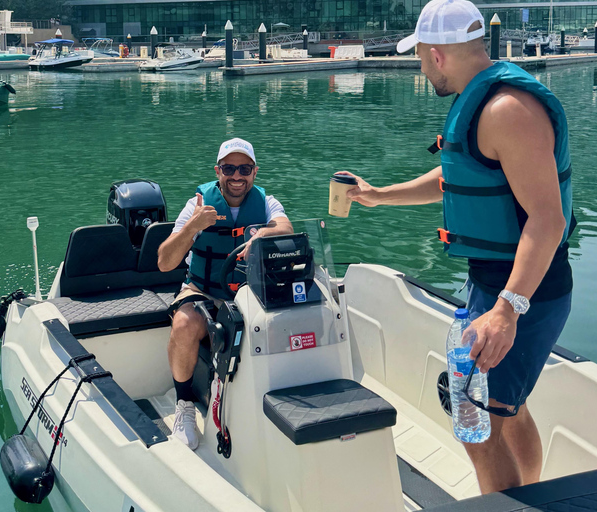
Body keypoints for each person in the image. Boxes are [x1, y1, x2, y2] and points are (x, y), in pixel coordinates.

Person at [343, 0, 574, 495]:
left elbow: (548, 219)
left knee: (475, 414)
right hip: (493, 284)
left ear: (437, 54)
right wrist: (377, 196)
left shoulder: (506, 110)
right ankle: (524, 493)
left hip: (523, 291)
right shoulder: (479, 102)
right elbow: (457, 178)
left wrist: (507, 312)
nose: (421, 67)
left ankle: (506, 504)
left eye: (421, 58)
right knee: (506, 409)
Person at [157, 138, 293, 449]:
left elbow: (286, 228)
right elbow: (165, 262)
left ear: (254, 172)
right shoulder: (197, 205)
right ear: (218, 171)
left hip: (247, 293)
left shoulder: (266, 203)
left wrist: (263, 233)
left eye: (244, 168)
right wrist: (193, 226)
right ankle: (184, 406)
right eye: (229, 168)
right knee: (184, 324)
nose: (236, 176)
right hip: (202, 290)